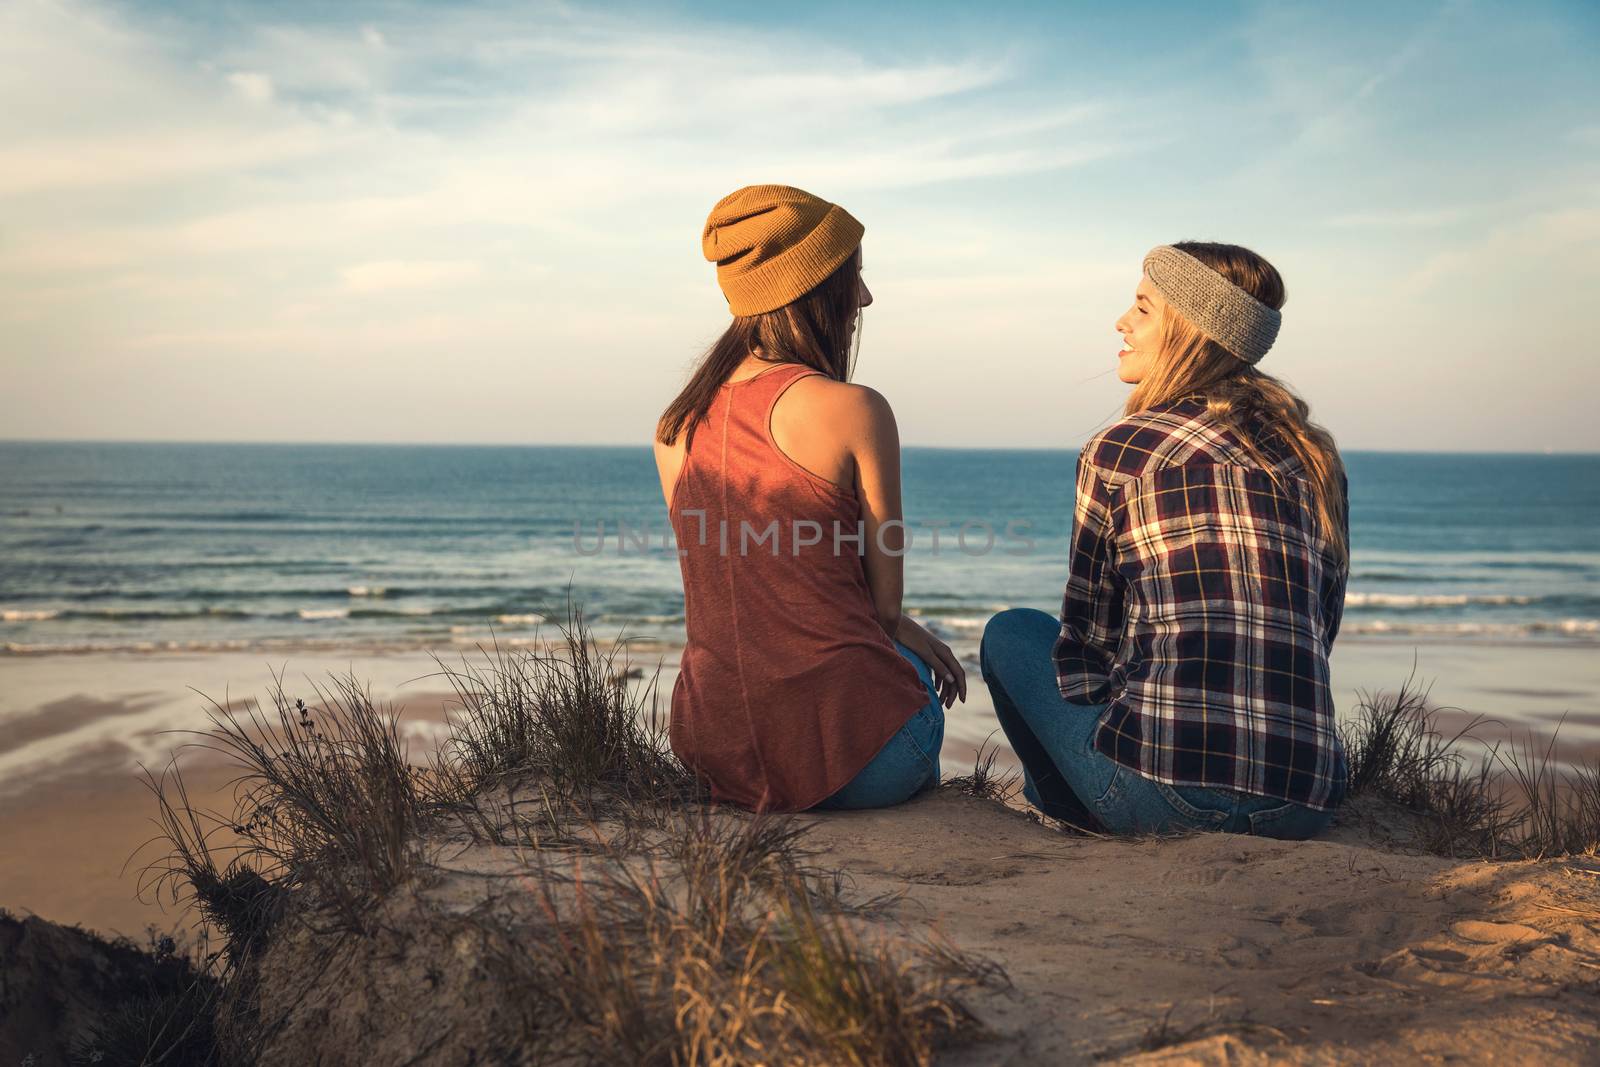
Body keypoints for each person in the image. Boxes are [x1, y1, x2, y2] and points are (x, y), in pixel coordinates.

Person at [981, 242, 1349, 840]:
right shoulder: (1312, 456)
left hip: (1161, 801)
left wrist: (1125, 708)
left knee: (1012, 632)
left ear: (1188, 330)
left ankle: (1073, 806)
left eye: (1143, 307)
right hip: (1302, 805)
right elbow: (1321, 624)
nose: (1121, 322)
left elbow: (1087, 646)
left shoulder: (1123, 448)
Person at [653, 184, 966, 814]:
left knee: (889, 641)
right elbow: (882, 609)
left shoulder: (674, 426)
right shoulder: (856, 409)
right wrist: (901, 632)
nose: (867, 298)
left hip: (716, 754)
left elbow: (750, 576)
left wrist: (894, 627)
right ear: (813, 289)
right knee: (908, 656)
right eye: (855, 278)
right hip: (864, 768)